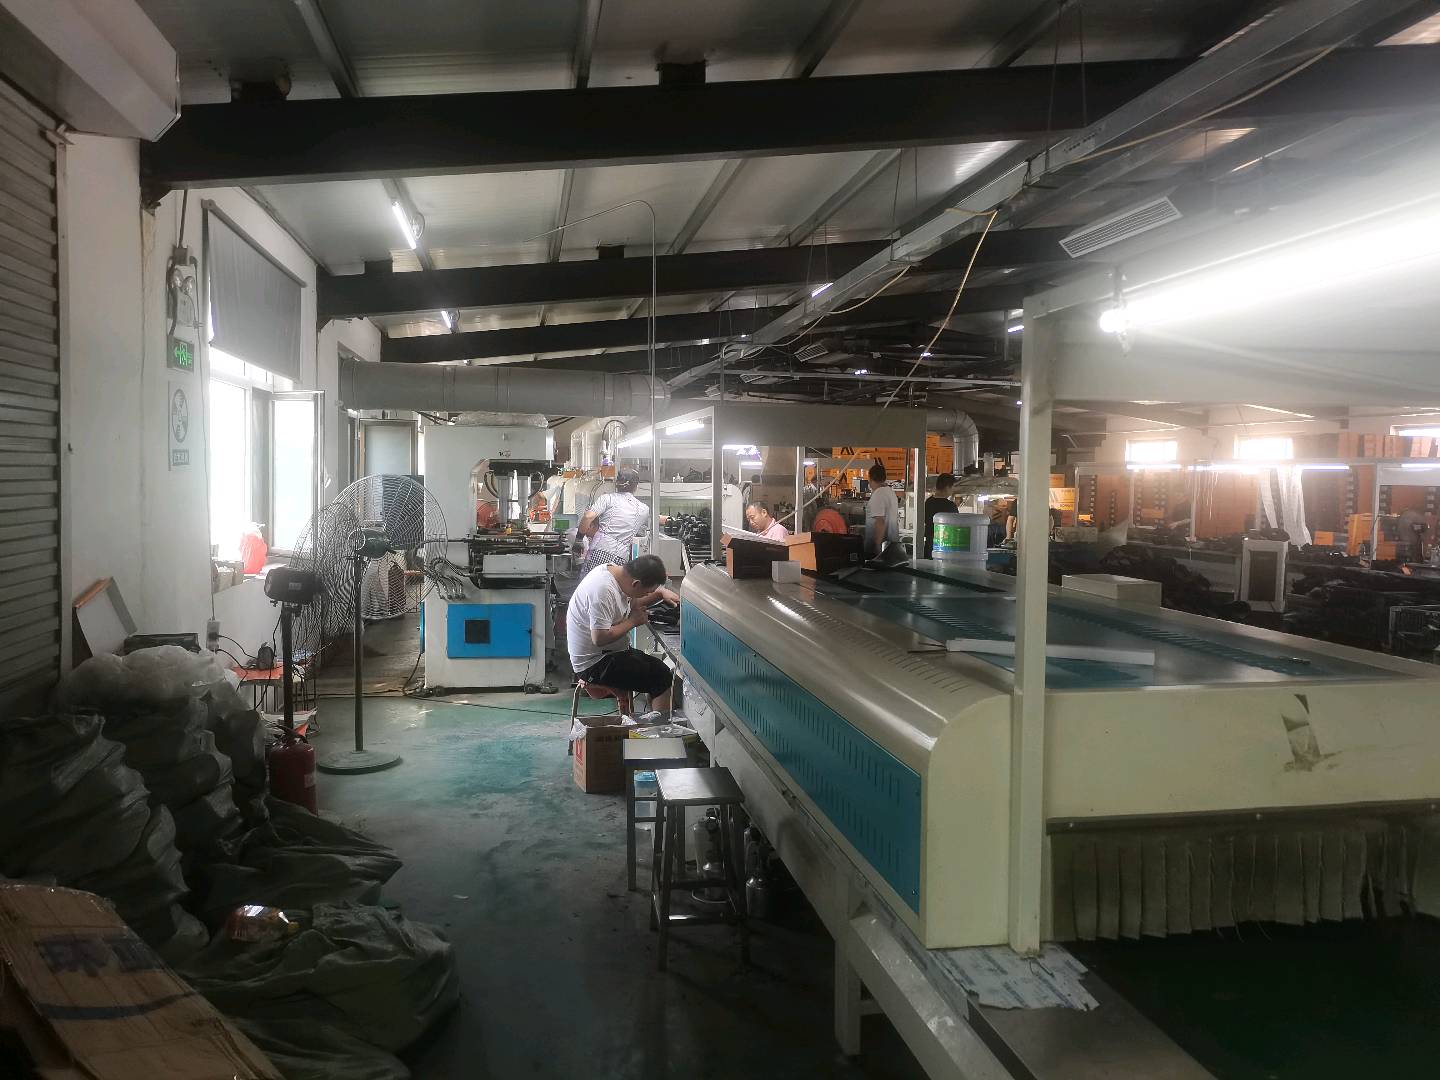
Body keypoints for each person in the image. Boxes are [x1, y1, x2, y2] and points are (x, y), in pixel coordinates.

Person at [566, 554, 679, 712]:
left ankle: (653, 719)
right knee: (663, 678)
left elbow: (634, 600)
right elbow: (599, 638)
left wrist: (660, 593)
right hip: (594, 663)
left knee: (658, 670)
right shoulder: (602, 590)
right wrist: (632, 621)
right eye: (647, 592)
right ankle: (661, 726)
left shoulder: (618, 575)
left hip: (610, 652)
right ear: (636, 583)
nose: (647, 595)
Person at [576, 468, 648, 572]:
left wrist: (578, 539)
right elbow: (655, 520)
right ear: (636, 486)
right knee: (611, 582)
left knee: (591, 581)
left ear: (616, 483)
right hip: (620, 557)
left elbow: (588, 517)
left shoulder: (607, 498)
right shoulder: (643, 509)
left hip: (599, 551)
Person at [864, 462, 900, 557]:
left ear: (870, 479)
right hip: (892, 545)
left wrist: (877, 545)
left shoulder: (878, 494)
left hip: (880, 549)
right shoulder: (890, 492)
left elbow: (880, 521)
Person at [922, 473, 957, 559]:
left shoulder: (928, 502)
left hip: (929, 546)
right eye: (952, 487)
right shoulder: (950, 506)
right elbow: (956, 527)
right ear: (947, 487)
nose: (952, 490)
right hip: (944, 547)